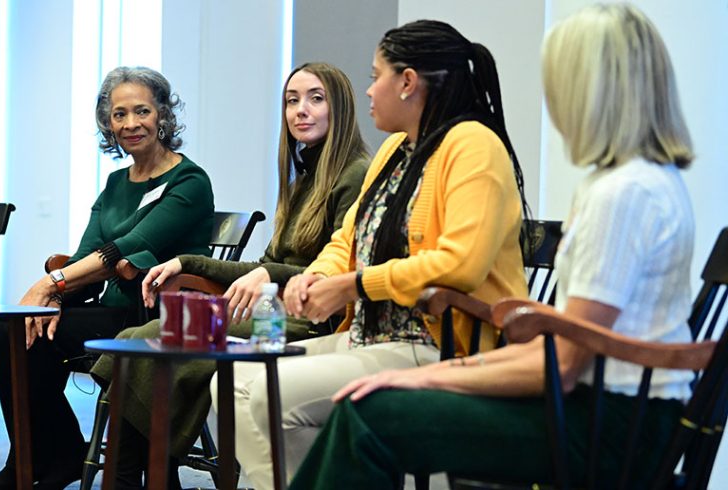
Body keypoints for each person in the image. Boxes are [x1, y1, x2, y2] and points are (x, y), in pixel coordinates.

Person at [291, 5, 697, 489]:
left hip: (610, 424)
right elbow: (563, 348)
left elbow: (564, 364)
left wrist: (432, 377)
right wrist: (445, 373)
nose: (553, 100)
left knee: (371, 414)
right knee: (373, 404)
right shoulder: (630, 183)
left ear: (592, 91)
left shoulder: (625, 194)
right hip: (603, 408)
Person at [216, 20, 533, 490]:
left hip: (442, 345)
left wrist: (354, 285)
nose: (368, 92)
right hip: (372, 338)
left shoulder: (473, 145)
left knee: (265, 392)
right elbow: (348, 239)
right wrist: (317, 275)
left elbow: (460, 263)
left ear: (407, 83)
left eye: (375, 76)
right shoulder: (392, 152)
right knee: (227, 385)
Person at [89, 62, 370, 488]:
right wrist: (189, 263)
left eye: (315, 99)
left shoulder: (354, 175)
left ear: (341, 108)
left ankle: (136, 478)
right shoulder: (306, 177)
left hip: (308, 316)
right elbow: (269, 262)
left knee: (149, 340)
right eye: (292, 101)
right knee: (138, 338)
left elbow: (330, 270)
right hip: (273, 306)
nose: (300, 111)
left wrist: (265, 277)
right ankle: (138, 478)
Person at [0, 66, 215, 490]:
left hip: (160, 317)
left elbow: (123, 248)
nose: (131, 124)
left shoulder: (190, 181)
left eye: (142, 111)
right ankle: (37, 458)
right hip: (114, 311)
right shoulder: (115, 184)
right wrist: (56, 297)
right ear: (108, 123)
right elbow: (87, 254)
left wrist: (49, 285)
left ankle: (51, 459)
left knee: (28, 325)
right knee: (15, 331)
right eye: (119, 114)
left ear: (163, 114)